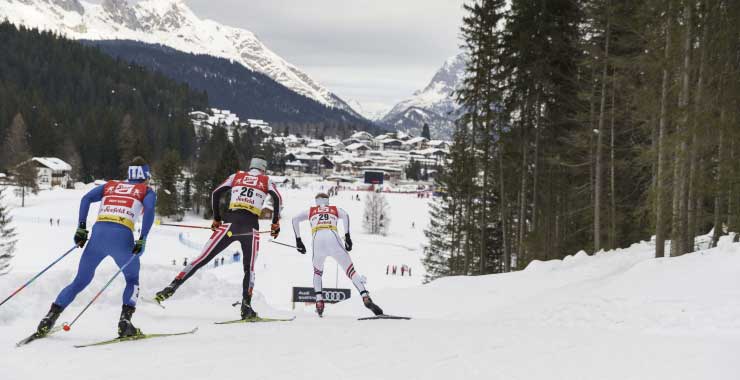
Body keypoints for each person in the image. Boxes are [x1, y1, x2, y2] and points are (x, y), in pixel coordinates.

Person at [35, 157, 156, 338]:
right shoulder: (146, 190)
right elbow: (150, 212)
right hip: (122, 237)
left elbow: (86, 198)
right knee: (132, 280)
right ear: (146, 175)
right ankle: (125, 322)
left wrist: (81, 227)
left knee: (80, 281)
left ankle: (49, 318)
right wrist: (143, 238)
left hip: (97, 236)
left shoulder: (110, 185)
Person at [155, 157, 282, 320]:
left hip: (230, 224)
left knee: (202, 259)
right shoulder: (266, 180)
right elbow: (277, 198)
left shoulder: (236, 176)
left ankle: (169, 289)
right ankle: (246, 307)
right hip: (250, 228)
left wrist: (216, 218)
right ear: (263, 169)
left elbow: (216, 193)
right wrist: (275, 224)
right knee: (248, 268)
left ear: (250, 167)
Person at [292, 193, 383, 317]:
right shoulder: (334, 209)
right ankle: (365, 295)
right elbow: (345, 215)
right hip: (332, 235)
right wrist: (347, 236)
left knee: (317, 272)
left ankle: (319, 301)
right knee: (351, 271)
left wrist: (298, 240)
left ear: (316, 201)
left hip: (317, 238)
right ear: (327, 201)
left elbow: (294, 219)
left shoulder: (310, 210)